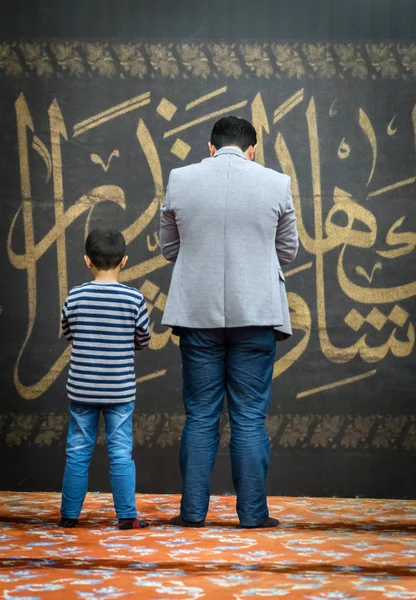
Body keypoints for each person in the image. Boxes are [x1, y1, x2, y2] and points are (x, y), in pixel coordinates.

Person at [160, 116, 299, 529]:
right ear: (252, 150)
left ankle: (192, 514)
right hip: (256, 314)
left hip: (197, 314)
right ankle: (254, 515)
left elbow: (169, 248)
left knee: (201, 415)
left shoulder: (180, 178)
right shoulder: (276, 182)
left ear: (210, 147)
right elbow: (287, 251)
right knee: (250, 417)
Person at [58, 228, 151, 530]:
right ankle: (127, 516)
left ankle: (69, 516)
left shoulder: (75, 295)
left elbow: (68, 333)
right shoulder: (134, 299)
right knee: (121, 452)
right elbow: (143, 339)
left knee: (77, 450)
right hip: (119, 390)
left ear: (88, 261)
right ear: (124, 261)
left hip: (82, 389)